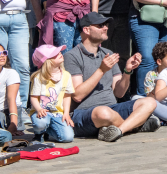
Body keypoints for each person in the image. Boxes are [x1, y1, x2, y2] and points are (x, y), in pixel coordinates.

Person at [64, 12, 159, 142]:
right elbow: (77, 95)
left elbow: (119, 93)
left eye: (106, 25)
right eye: (100, 25)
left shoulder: (108, 54)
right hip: (84, 113)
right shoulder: (72, 56)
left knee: (150, 102)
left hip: (112, 109)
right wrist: (101, 70)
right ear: (86, 30)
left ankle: (119, 130)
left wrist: (127, 71)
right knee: (103, 113)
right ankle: (135, 126)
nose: (106, 28)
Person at [28, 45, 73, 143]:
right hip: (42, 112)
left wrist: (66, 113)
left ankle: (48, 130)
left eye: (59, 52)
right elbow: (34, 97)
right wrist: (39, 109)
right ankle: (39, 134)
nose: (60, 54)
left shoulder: (66, 75)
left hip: (58, 113)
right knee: (41, 123)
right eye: (55, 54)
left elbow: (67, 96)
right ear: (47, 61)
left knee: (68, 137)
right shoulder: (39, 77)